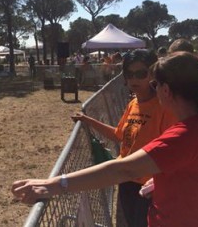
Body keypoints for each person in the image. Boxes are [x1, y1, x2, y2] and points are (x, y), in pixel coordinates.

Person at [12, 51, 198, 226]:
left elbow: (125, 169)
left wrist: (53, 185)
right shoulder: (197, 126)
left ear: (165, 90)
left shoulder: (186, 134)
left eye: (154, 83)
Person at [73, 49, 176, 227]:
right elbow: (119, 135)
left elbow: (173, 152)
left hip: (151, 189)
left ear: (153, 74)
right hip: (127, 181)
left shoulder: (164, 108)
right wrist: (87, 120)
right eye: (129, 74)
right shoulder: (133, 104)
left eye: (141, 74)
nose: (134, 79)